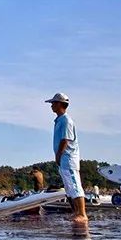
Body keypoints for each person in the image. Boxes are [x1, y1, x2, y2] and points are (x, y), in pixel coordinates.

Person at [46, 92, 88, 224]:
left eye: (53, 103)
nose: (51, 105)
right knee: (69, 188)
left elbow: (65, 140)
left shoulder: (66, 120)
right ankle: (76, 212)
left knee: (75, 186)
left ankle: (82, 214)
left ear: (60, 104)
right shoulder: (59, 120)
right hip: (63, 161)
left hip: (68, 159)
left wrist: (58, 155)